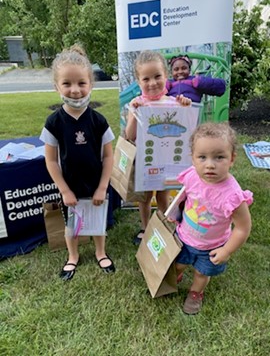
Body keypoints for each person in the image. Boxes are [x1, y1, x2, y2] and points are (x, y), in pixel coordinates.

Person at [40, 44, 115, 281]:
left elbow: (110, 156)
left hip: (96, 185)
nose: (75, 90)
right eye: (67, 84)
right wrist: (64, 190)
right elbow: (51, 160)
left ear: (90, 84)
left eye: (81, 83)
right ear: (56, 86)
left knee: (97, 221)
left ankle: (100, 252)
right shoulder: (54, 122)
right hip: (70, 187)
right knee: (72, 225)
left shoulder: (99, 121)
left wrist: (103, 186)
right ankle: (72, 256)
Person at [174, 122, 253, 315]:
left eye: (219, 157)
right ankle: (176, 276)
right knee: (177, 264)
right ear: (192, 158)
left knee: (201, 273)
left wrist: (226, 250)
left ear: (232, 158)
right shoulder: (192, 176)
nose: (210, 164)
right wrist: (174, 213)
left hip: (212, 246)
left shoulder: (232, 196)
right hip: (184, 237)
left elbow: (243, 228)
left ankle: (195, 293)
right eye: (202, 157)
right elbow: (184, 196)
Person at [125, 50, 192, 245]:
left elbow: (186, 129)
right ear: (138, 81)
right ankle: (146, 228)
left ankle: (164, 226)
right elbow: (130, 136)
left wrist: (185, 107)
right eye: (146, 78)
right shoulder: (136, 104)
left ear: (166, 76)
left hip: (165, 161)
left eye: (157, 76)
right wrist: (134, 111)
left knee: (163, 196)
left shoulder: (174, 103)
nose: (152, 82)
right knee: (144, 199)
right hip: (144, 161)